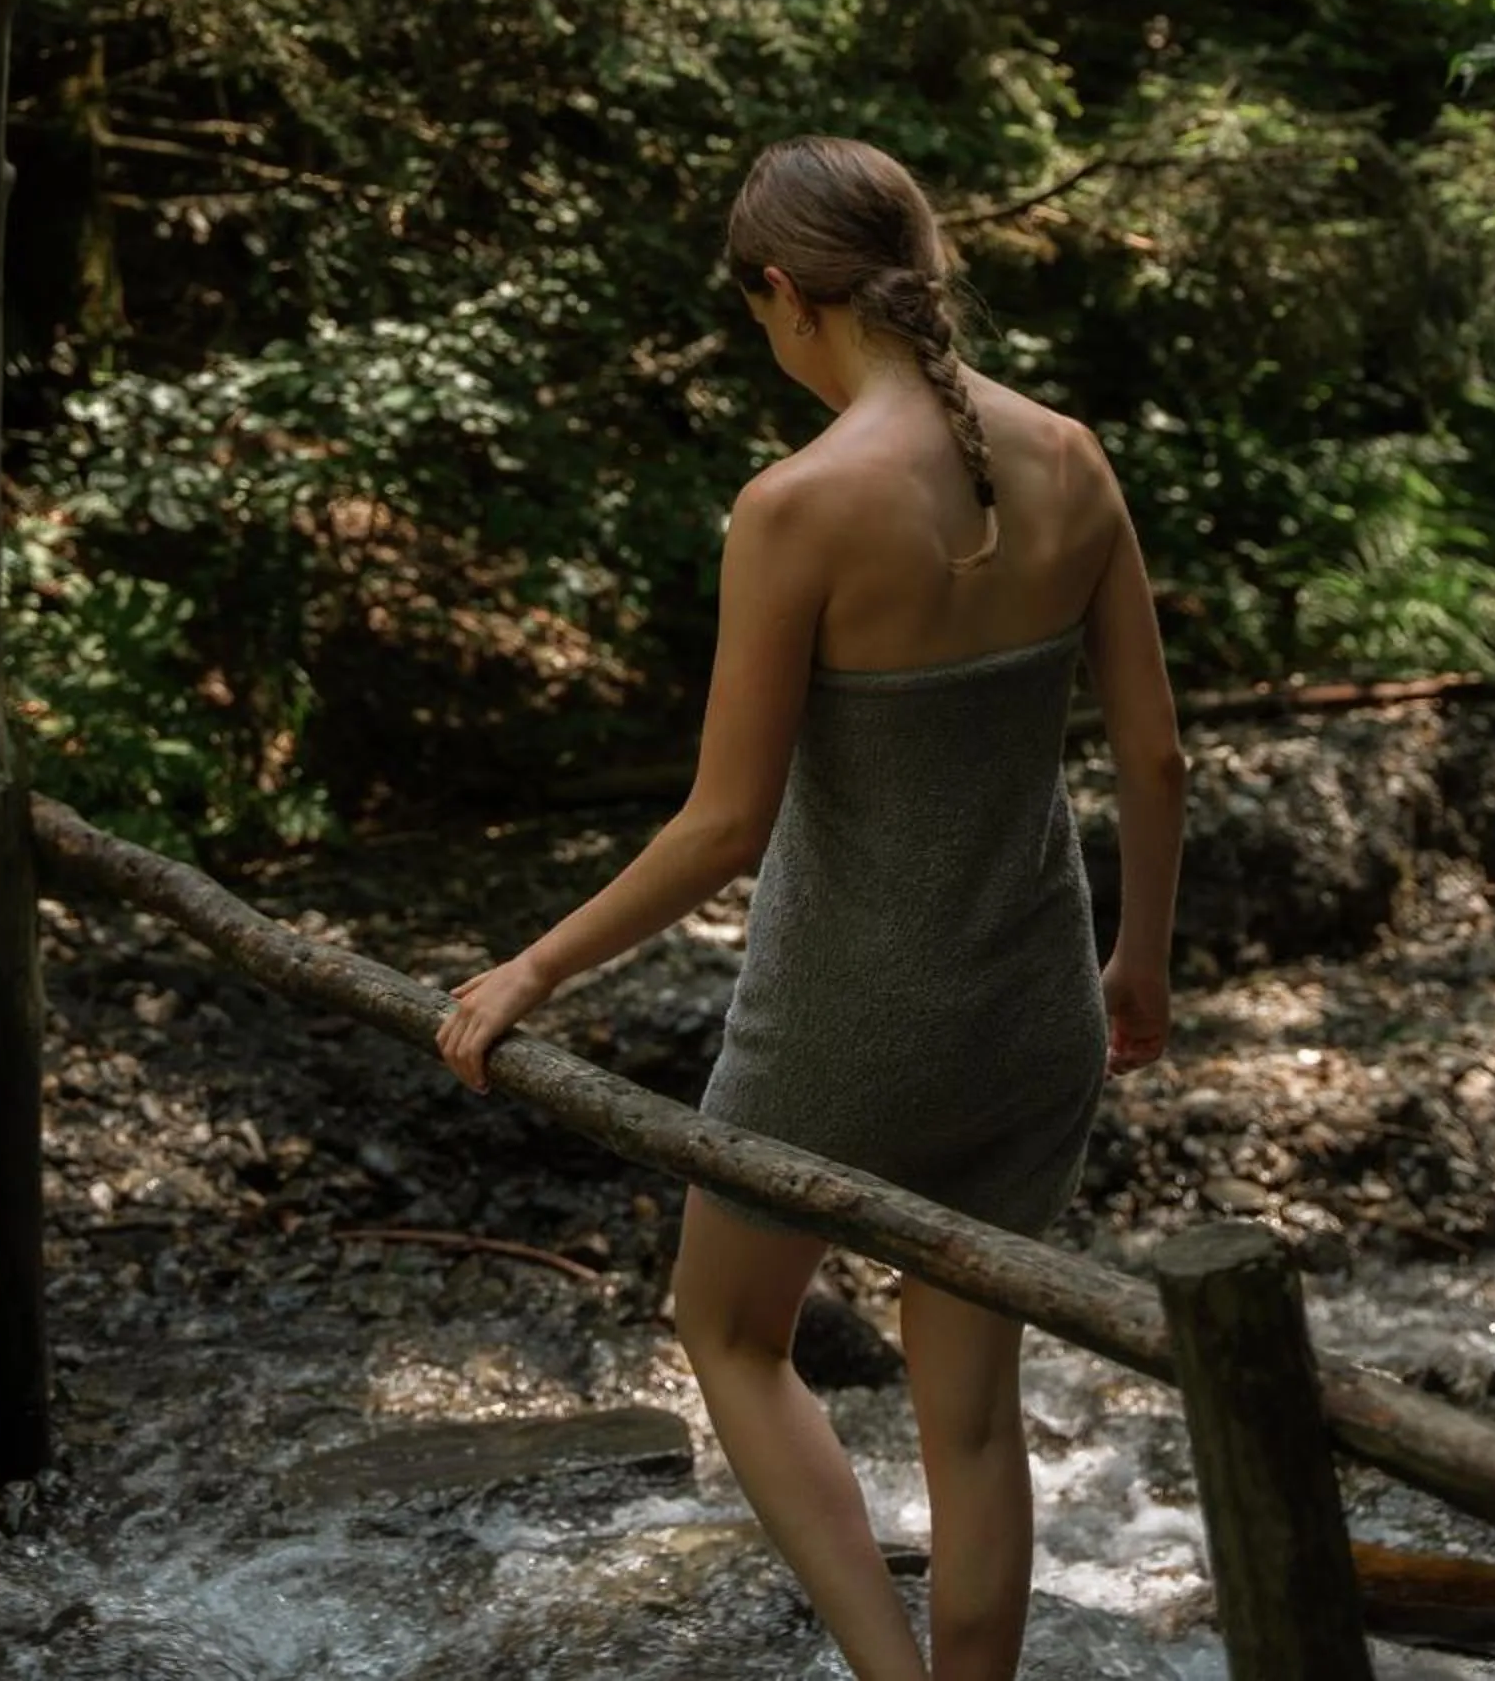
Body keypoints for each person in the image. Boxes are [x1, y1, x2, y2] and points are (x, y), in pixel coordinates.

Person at [436, 135, 1186, 1681]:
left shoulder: (796, 506)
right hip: (1034, 1005)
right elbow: (1158, 755)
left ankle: (886, 1674)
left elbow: (724, 826)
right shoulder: (1072, 456)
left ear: (784, 294)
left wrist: (531, 969)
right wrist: (1140, 966)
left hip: (846, 1018)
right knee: (972, 1413)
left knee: (725, 1329)